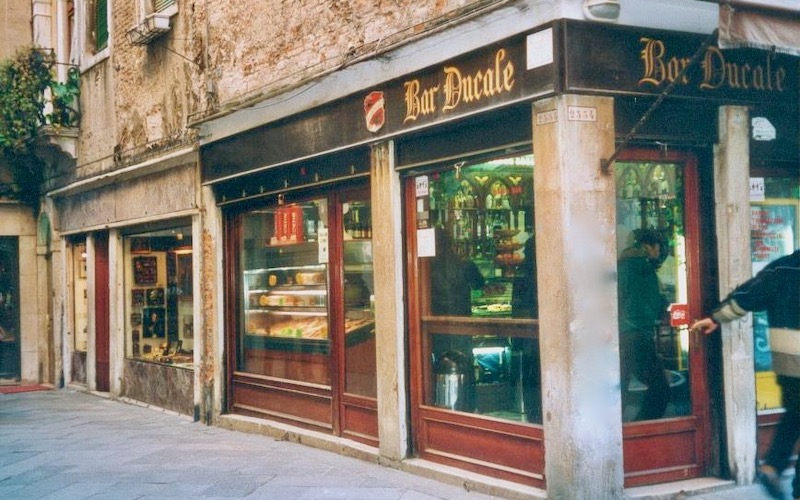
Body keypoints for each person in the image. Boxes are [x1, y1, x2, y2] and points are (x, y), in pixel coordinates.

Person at [691, 250, 800, 500]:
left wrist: (715, 317)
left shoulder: (783, 268)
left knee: (795, 413)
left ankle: (773, 465)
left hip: (789, 360)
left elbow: (748, 296)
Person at [429, 226, 485, 411]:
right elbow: (480, 284)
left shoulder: (427, 267)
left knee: (439, 362)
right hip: (462, 322)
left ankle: (441, 403)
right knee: (465, 362)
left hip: (436, 323)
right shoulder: (465, 264)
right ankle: (468, 405)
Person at [618, 228, 671, 421]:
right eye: (658, 247)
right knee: (660, 390)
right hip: (638, 336)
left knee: (619, 391)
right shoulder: (645, 270)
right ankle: (642, 430)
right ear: (648, 246)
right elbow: (655, 306)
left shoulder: (621, 265)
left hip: (620, 336)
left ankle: (618, 435)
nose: (659, 252)